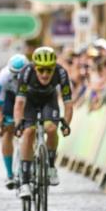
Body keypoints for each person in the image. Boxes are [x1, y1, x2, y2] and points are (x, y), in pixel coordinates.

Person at [13, 47, 73, 199]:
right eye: (41, 70)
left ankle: (51, 166)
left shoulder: (61, 72)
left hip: (49, 100)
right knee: (28, 132)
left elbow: (68, 103)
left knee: (51, 128)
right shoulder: (26, 72)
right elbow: (19, 103)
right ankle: (25, 182)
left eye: (49, 70)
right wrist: (18, 123)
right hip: (29, 102)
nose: (45, 74)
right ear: (35, 67)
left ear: (54, 68)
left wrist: (66, 123)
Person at [0, 54, 29, 190]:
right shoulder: (4, 77)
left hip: (28, 97)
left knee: (30, 128)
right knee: (7, 132)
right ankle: (9, 174)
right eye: (15, 75)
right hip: (11, 97)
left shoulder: (33, 74)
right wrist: (1, 123)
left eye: (21, 74)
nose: (18, 78)